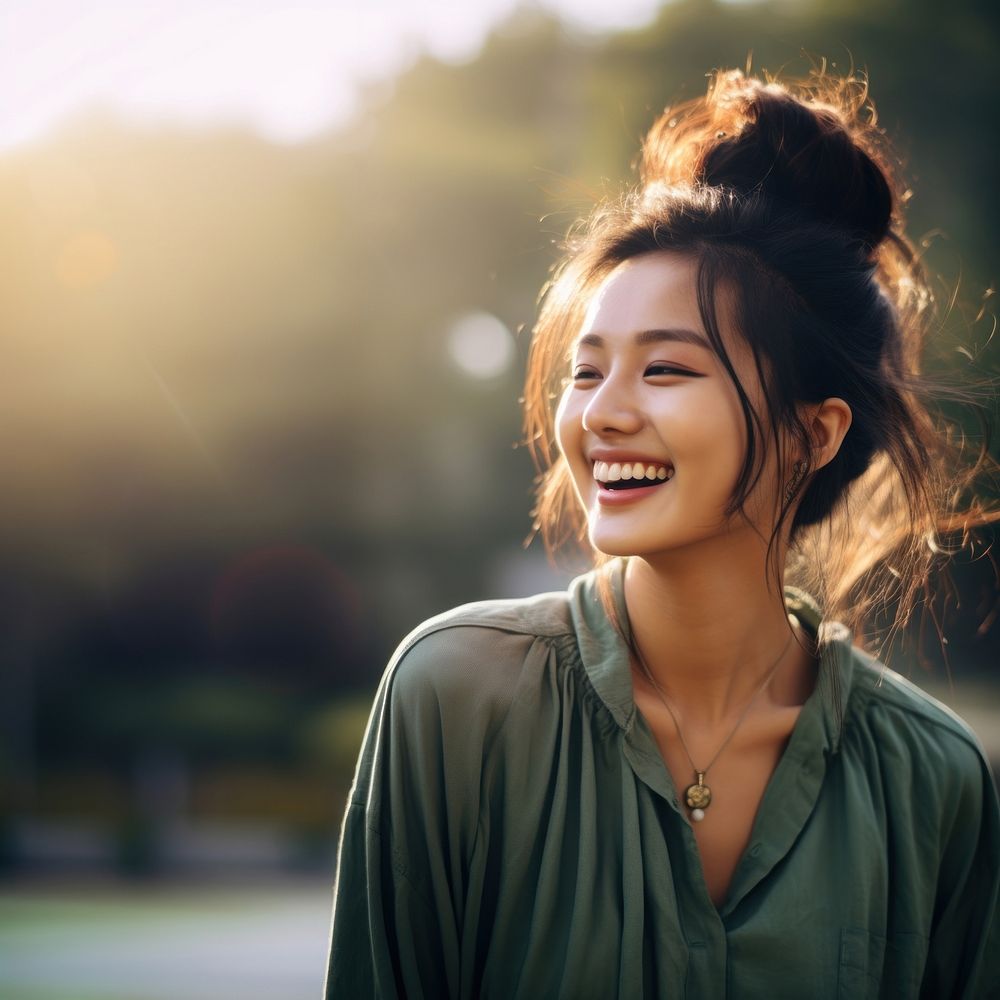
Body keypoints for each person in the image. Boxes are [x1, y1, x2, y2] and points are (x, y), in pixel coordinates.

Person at [324, 68, 1000, 998]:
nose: (603, 415)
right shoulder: (457, 696)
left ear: (816, 431)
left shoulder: (933, 780)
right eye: (588, 371)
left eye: (668, 371)